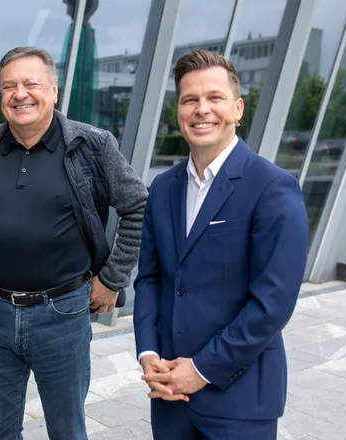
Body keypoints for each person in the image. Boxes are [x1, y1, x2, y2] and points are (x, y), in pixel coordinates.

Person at [0, 46, 146, 439]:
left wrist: (112, 278)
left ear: (54, 90)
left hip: (62, 314)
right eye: (9, 85)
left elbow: (139, 207)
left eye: (31, 83)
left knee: (66, 430)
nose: (19, 93)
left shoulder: (91, 145)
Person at [133, 49, 308, 439]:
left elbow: (273, 303)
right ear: (178, 110)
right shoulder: (162, 188)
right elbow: (149, 279)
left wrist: (200, 370)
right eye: (189, 99)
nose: (201, 109)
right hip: (169, 396)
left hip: (239, 400)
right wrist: (148, 355)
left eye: (214, 98)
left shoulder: (273, 187)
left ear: (238, 107)